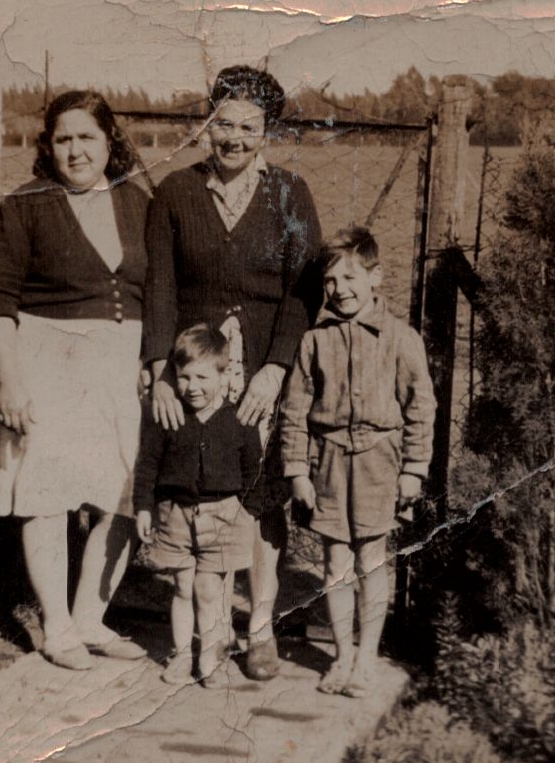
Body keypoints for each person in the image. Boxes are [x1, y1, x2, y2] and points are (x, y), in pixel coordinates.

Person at [142, 64, 323, 682]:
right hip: (199, 372)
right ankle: (206, 636)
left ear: (266, 133)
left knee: (262, 494)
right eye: (224, 125)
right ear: (206, 125)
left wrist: (275, 368)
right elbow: (160, 289)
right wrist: (162, 370)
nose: (235, 139)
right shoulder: (175, 193)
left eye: (249, 127)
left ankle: (262, 626)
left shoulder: (290, 195)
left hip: (264, 370)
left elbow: (305, 293)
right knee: (205, 490)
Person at [0, 90, 152, 669]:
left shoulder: (138, 200)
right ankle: (56, 627)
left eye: (87, 138)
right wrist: (13, 381)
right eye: (63, 139)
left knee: (120, 492)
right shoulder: (24, 206)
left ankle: (91, 621)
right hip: (46, 358)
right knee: (46, 495)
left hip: (120, 362)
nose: (75, 151)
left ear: (110, 142)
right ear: (48, 146)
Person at [281, 225, 435, 695]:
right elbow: (295, 411)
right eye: (330, 282)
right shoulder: (315, 341)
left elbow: (420, 407)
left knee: (371, 560)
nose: (340, 290)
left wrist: (413, 469)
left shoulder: (401, 338)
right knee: (335, 565)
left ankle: (367, 658)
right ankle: (342, 657)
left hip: (379, 464)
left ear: (376, 278)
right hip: (328, 463)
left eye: (350, 278)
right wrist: (296, 471)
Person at [132, 325, 263, 687]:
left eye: (203, 377)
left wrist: (250, 510)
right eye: (184, 376)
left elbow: (254, 470)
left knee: (209, 590)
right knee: (181, 587)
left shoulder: (238, 421)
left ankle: (210, 659)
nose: (192, 387)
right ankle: (180, 655)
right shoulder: (168, 417)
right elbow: (148, 464)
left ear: (223, 375)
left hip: (223, 515)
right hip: (175, 514)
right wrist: (143, 506)